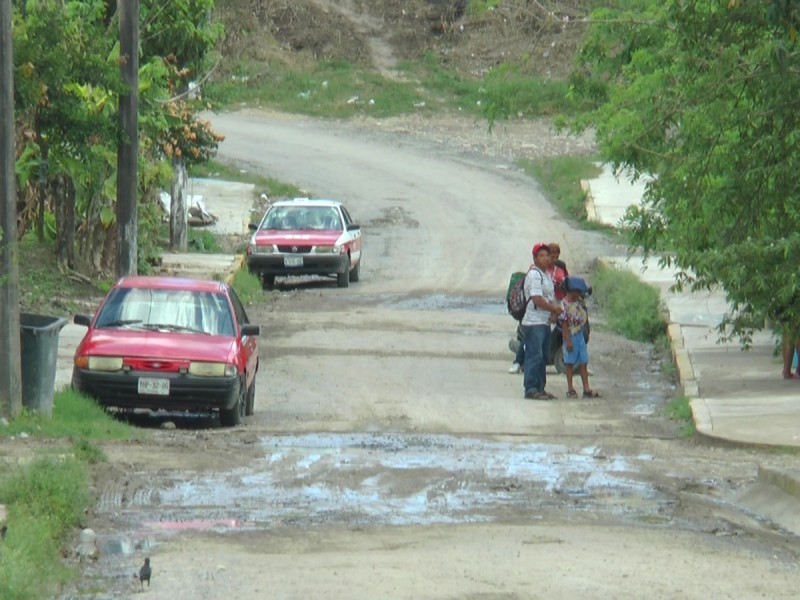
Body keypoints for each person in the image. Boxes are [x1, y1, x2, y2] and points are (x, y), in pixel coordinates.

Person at [521, 243, 563, 400]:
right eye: (541, 255)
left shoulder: (545, 276)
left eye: (547, 255)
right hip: (533, 322)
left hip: (544, 322)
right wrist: (553, 309)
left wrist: (553, 312)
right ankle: (531, 388)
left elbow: (550, 297)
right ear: (535, 258)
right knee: (534, 355)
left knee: (543, 357)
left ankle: (540, 388)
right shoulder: (534, 275)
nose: (545, 258)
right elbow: (537, 299)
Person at [560, 276, 601, 398]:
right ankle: (570, 388)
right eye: (577, 291)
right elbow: (564, 324)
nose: (579, 294)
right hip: (571, 335)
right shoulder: (564, 304)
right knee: (569, 363)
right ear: (571, 290)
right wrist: (568, 341)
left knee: (584, 362)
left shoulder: (579, 302)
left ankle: (586, 388)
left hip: (580, 335)